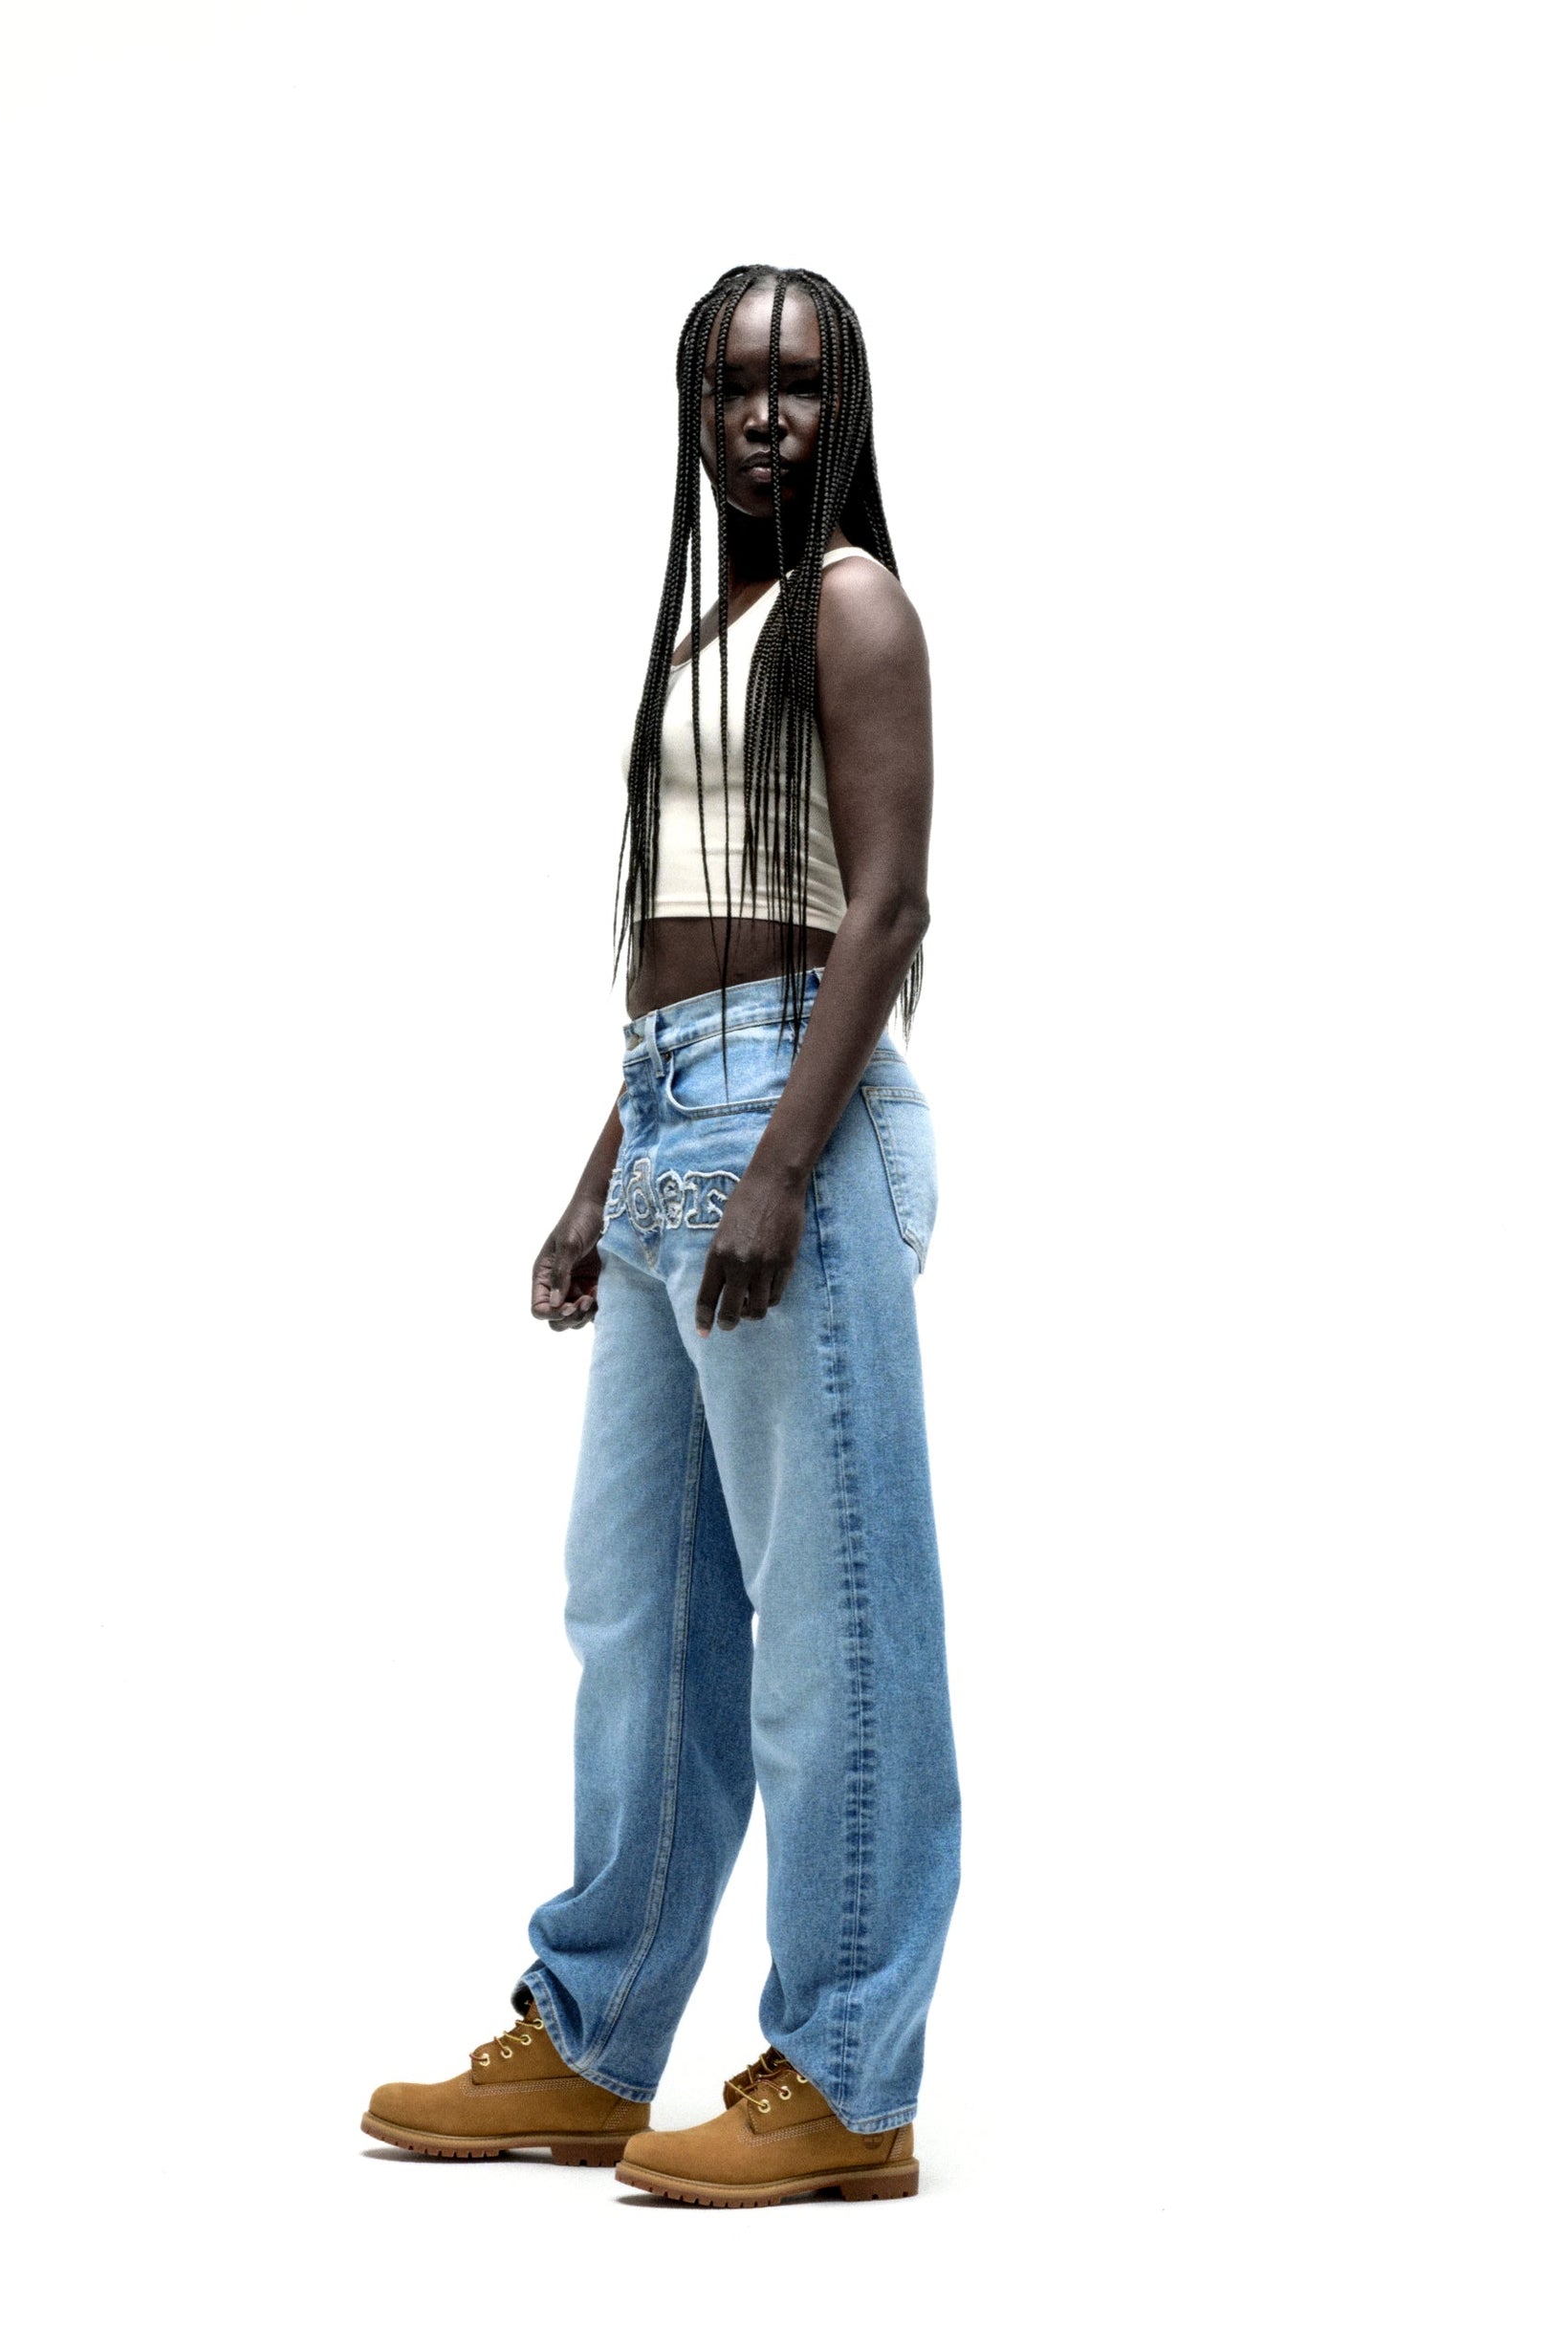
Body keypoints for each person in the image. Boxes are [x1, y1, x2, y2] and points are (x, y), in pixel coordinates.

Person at [362, 265, 961, 2208]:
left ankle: (846, 2069)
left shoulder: (851, 604)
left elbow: (880, 911)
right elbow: (682, 939)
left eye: (801, 384)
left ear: (845, 406)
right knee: (637, 1609)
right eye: (732, 385)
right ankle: (593, 2029)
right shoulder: (711, 621)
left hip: (786, 1118)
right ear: (693, 409)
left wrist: (782, 1167)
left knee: (833, 1618)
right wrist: (597, 1178)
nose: (765, 417)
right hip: (671, 1119)